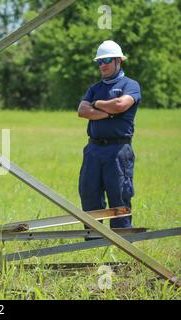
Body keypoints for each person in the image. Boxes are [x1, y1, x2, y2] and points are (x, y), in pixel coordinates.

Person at [77, 40, 141, 229]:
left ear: (119, 60)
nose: (103, 65)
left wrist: (96, 104)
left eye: (107, 60)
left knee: (119, 194)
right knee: (89, 193)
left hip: (118, 150)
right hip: (94, 149)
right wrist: (109, 112)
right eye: (99, 62)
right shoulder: (95, 88)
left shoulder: (130, 85)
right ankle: (93, 239)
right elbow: (82, 110)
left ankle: (121, 242)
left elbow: (121, 105)